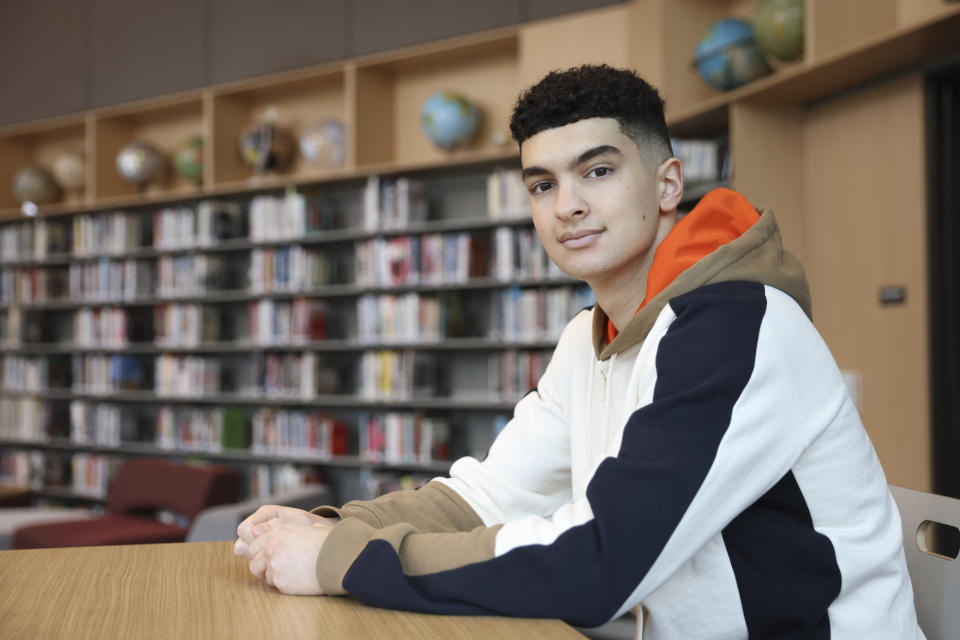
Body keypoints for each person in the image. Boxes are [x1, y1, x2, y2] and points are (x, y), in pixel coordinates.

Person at [235, 64, 921, 638]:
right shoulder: (585, 337)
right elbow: (488, 497)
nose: (567, 205)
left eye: (597, 171)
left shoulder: (733, 326)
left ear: (667, 184)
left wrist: (344, 559)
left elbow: (601, 564)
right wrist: (328, 528)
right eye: (543, 184)